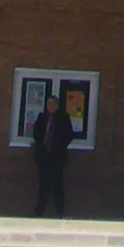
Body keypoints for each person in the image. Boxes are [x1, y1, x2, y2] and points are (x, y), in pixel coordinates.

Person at [32, 89, 74, 217]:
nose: (49, 107)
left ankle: (59, 210)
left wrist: (59, 146)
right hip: (44, 156)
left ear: (56, 105)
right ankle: (40, 210)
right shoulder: (42, 117)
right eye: (47, 104)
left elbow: (69, 135)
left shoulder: (63, 118)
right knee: (43, 184)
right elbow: (36, 134)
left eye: (52, 104)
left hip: (57, 157)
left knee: (57, 184)